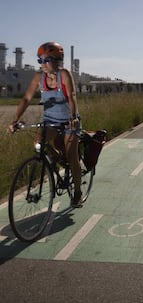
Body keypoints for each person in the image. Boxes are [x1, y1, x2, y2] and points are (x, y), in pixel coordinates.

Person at [9, 42, 83, 208]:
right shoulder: (38, 77)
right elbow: (26, 99)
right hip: (49, 121)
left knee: (72, 158)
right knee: (38, 144)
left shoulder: (64, 74)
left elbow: (71, 96)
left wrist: (73, 116)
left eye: (46, 60)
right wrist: (15, 120)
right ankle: (54, 158)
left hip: (69, 122)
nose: (42, 64)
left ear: (57, 60)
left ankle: (77, 193)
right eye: (40, 60)